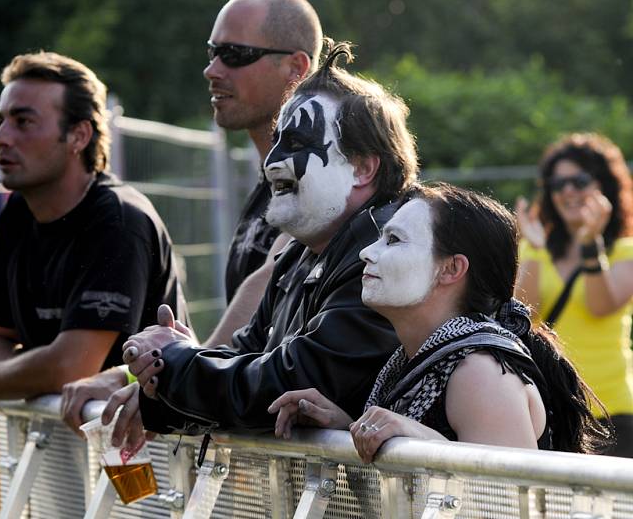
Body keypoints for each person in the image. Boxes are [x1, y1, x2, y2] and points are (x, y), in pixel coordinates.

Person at [111, 41, 418, 443]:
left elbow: (288, 383)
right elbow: (246, 358)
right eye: (276, 140)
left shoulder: (387, 255)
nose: (272, 160)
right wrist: (164, 376)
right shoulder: (301, 255)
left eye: (296, 143)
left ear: (362, 168)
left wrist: (180, 362)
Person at [60, 0, 323, 431]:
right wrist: (151, 371)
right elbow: (241, 342)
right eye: (212, 52)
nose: (211, 70)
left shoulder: (317, 181)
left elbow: (268, 280)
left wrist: (164, 380)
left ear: (296, 68)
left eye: (235, 54)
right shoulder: (268, 183)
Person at [0, 50, 186, 416]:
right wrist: (22, 373)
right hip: (64, 440)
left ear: (78, 135)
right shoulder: (19, 211)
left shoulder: (119, 221)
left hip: (148, 447)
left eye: (23, 122)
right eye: (1, 121)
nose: (0, 138)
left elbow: (71, 366)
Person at [270, 184, 609, 463]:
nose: (366, 253)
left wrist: (419, 441)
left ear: (451, 269)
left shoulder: (481, 371)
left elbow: (506, 504)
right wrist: (344, 429)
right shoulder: (423, 357)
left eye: (393, 240)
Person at [515, 133, 633, 457]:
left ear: (603, 186)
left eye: (578, 181)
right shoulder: (533, 246)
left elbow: (601, 305)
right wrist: (535, 250)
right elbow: (524, 313)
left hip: (611, 410)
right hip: (554, 408)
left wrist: (590, 244)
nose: (568, 191)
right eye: (558, 184)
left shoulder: (626, 251)